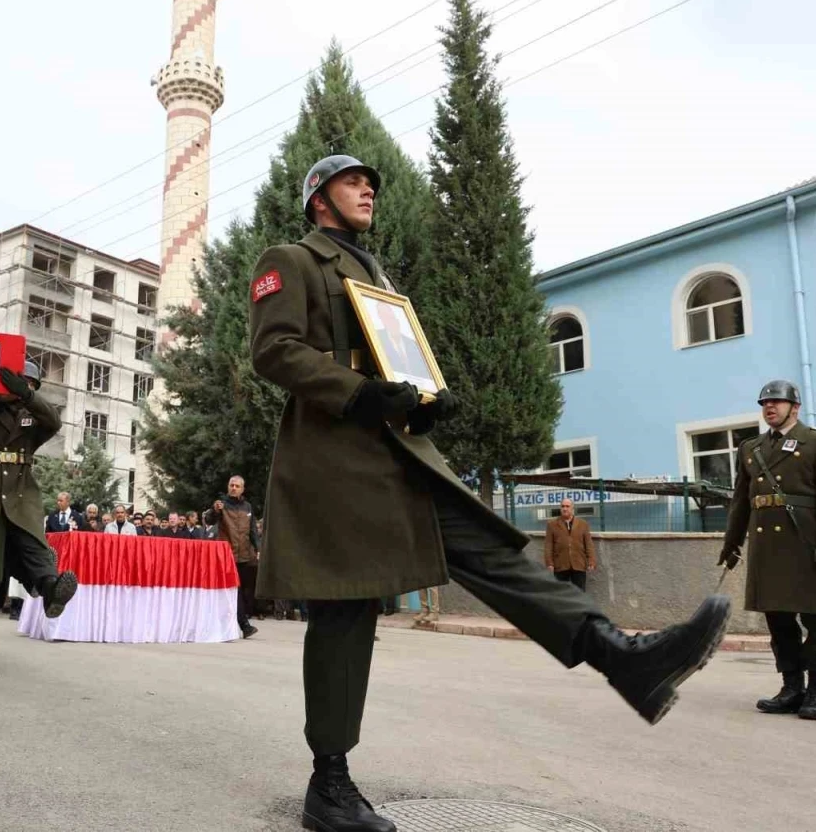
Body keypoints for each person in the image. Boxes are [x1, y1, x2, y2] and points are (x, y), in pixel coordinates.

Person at [248, 154, 732, 832]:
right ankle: (329, 787)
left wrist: (420, 403)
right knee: (343, 616)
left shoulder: (376, 276)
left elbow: (394, 362)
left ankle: (622, 658)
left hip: (400, 456)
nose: (369, 190)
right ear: (318, 198)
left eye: (372, 185)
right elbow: (274, 350)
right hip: (335, 464)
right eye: (354, 181)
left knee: (493, 549)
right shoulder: (295, 259)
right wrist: (360, 392)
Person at [719, 380, 816, 721]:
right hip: (767, 547)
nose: (769, 407)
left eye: (776, 402)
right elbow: (741, 502)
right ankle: (792, 688)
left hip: (805, 545)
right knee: (779, 622)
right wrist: (732, 543)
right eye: (765, 403)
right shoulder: (751, 448)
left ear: (795, 407)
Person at [0, 361, 79, 679]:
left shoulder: (31, 416)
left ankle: (50, 589)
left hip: (21, 492)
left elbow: (53, 420)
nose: (25, 390)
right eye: (20, 385)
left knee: (35, 546)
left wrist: (26, 395)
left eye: (30, 386)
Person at [206, 476, 261, 639]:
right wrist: (214, 510)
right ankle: (244, 625)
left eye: (237, 486)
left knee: (243, 591)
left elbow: (252, 531)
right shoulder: (221, 504)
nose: (234, 488)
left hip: (245, 555)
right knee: (234, 590)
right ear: (228, 486)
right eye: (231, 485)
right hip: (226, 555)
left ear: (243, 489)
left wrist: (258, 548)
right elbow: (209, 519)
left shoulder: (247, 506)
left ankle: (238, 623)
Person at [543, 498, 596, 591]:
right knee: (561, 593)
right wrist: (549, 563)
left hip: (579, 564)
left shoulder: (583, 524)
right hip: (560, 565)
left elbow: (588, 544)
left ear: (572, 508)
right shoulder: (552, 525)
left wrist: (591, 560)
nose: (564, 509)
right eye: (562, 506)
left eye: (567, 506)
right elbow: (548, 545)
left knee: (579, 593)